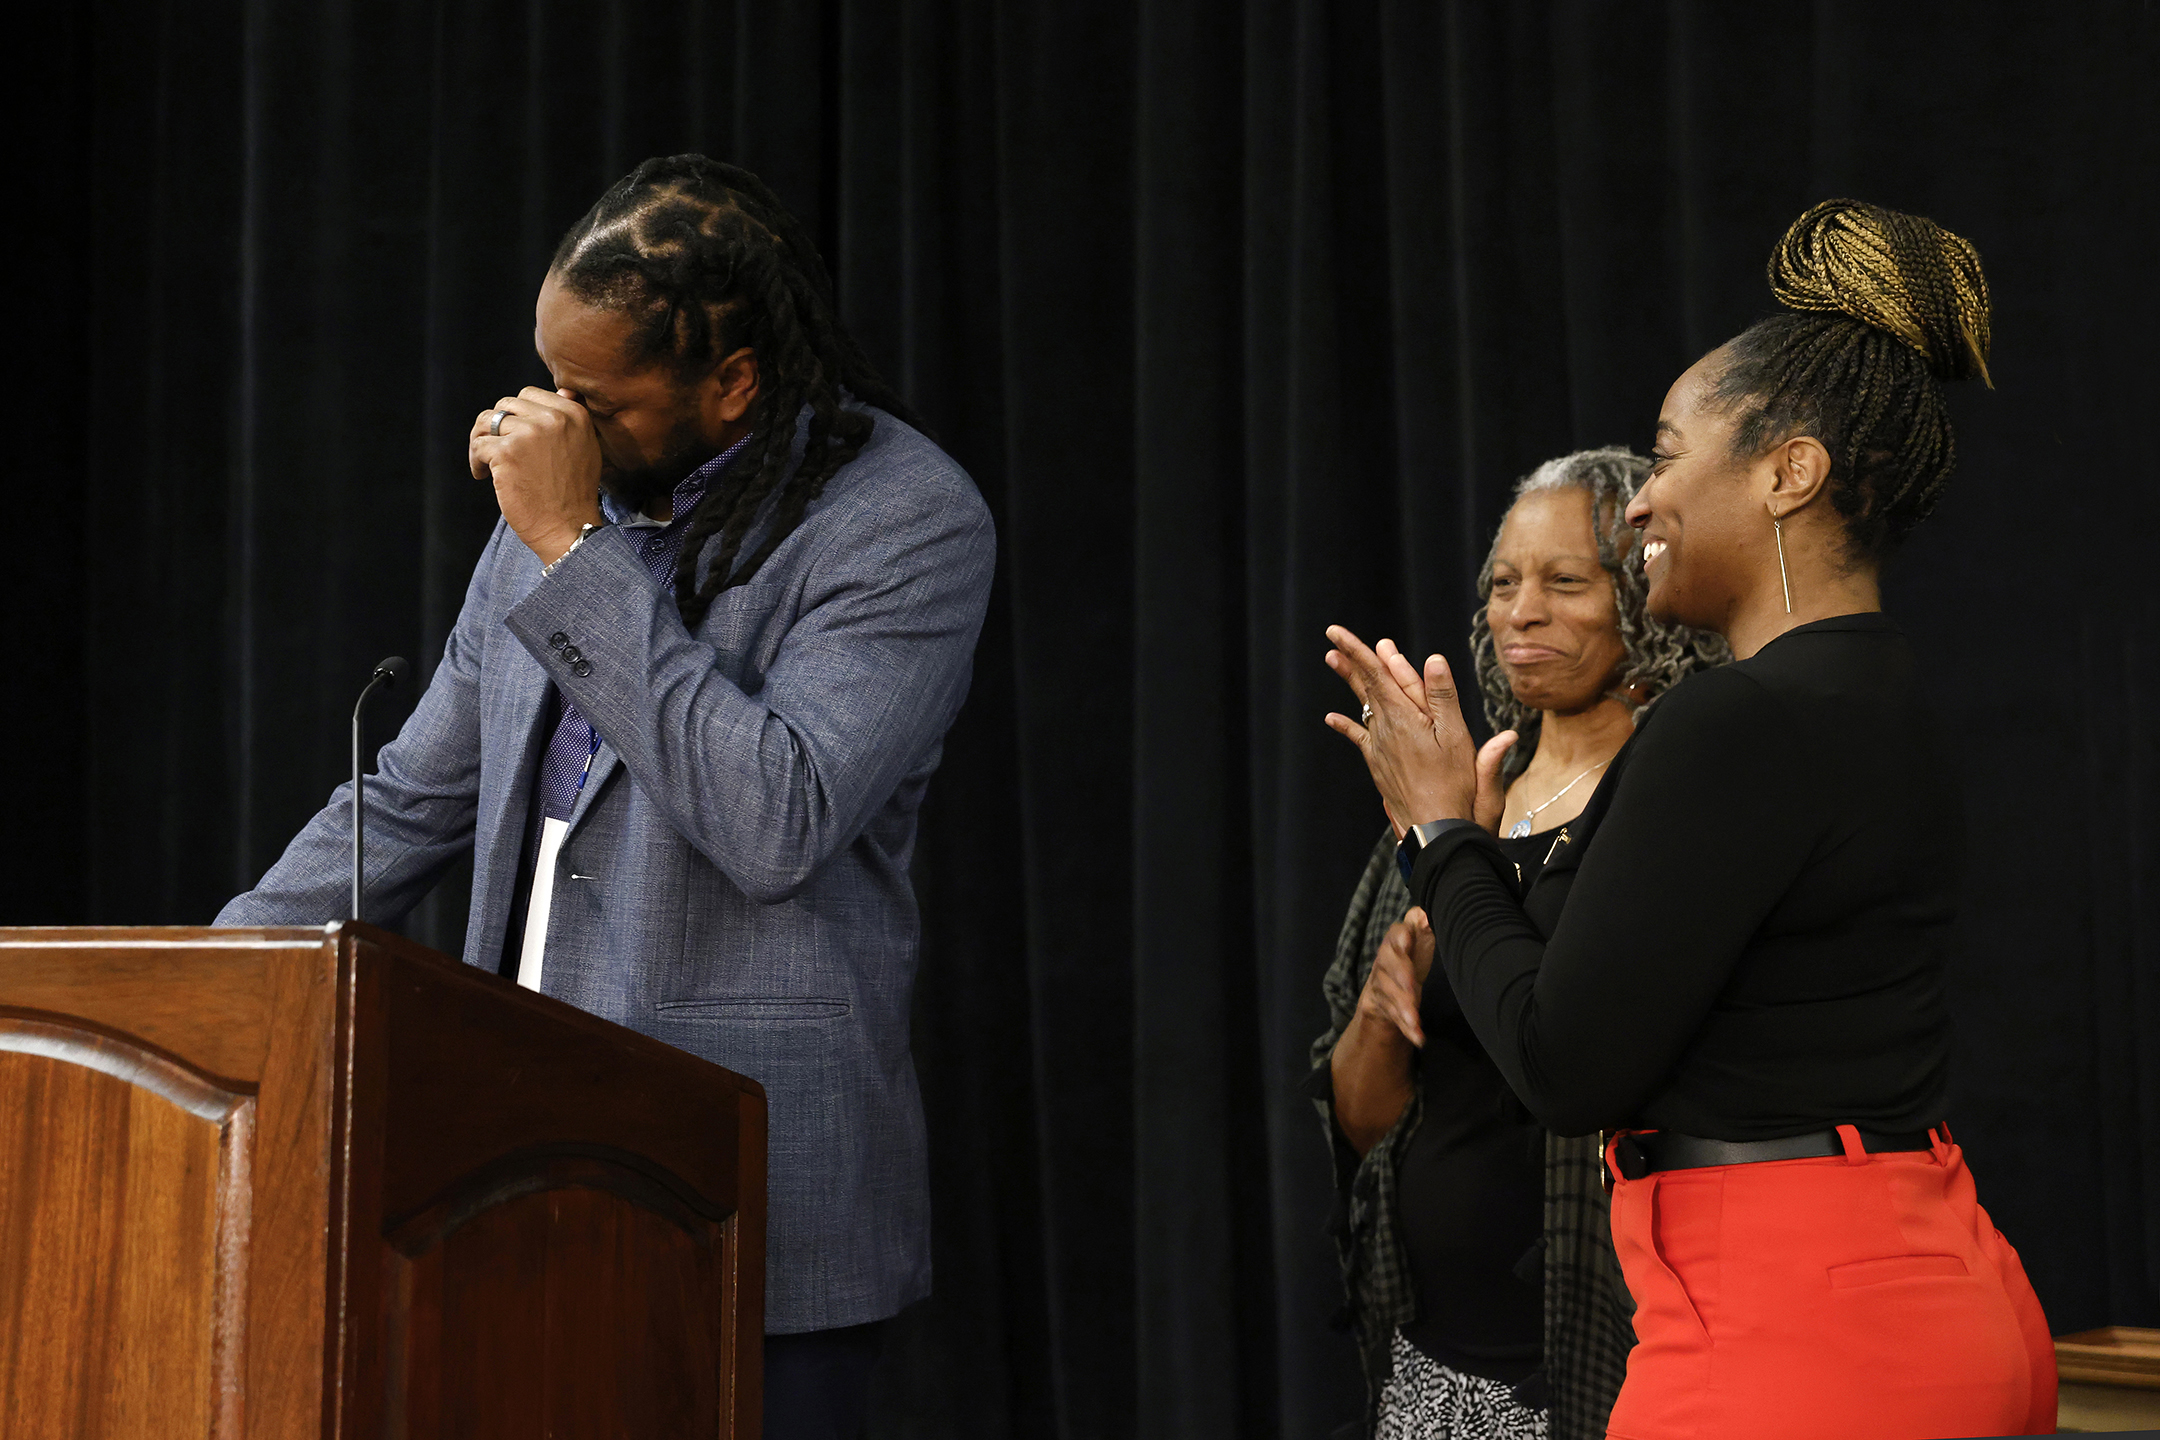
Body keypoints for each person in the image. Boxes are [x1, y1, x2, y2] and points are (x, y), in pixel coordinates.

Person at [216, 155, 995, 1440]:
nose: (548, 424)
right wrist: (216, 983)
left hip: (748, 1195)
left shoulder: (903, 521)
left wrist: (577, 550)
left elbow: (778, 817)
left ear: (733, 382)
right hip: (509, 1170)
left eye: (596, 399)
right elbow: (413, 800)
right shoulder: (564, 507)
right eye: (548, 379)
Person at [1321, 199, 2056, 1439]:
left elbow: (1566, 1064)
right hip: (1935, 1289)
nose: (1645, 503)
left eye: (1666, 455)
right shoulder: (1885, 694)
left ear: (1790, 470)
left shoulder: (1735, 724)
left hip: (1790, 1344)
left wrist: (1444, 834)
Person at [1310, 448, 1725, 1440]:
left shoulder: (1680, 795)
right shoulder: (1439, 812)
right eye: (1503, 584)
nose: (1521, 611)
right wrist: (1379, 1004)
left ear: (1638, 594)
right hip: (1439, 1361)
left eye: (1564, 581)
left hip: (1624, 1353)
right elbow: (1363, 1124)